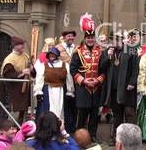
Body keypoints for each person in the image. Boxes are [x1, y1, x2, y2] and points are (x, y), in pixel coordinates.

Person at [100, 29, 142, 146]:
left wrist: (132, 82)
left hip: (127, 89)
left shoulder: (130, 51)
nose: (116, 42)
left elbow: (135, 69)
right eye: (113, 39)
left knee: (129, 113)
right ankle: (116, 138)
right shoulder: (108, 52)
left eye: (118, 39)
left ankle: (132, 139)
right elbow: (101, 68)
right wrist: (108, 57)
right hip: (114, 90)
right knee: (117, 115)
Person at [70, 13, 105, 143]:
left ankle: (92, 135)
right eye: (88, 37)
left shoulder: (100, 52)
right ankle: (80, 137)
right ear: (85, 38)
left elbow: (103, 70)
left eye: (92, 38)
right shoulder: (77, 52)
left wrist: (98, 80)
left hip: (96, 89)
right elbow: (72, 70)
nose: (90, 40)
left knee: (94, 114)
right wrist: (84, 81)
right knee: (82, 115)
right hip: (83, 89)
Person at [34, 47, 74, 122]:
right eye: (50, 54)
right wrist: (38, 90)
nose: (51, 56)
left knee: (61, 109)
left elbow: (69, 78)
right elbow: (39, 77)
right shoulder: (43, 65)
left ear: (57, 55)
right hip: (48, 90)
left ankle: (61, 126)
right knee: (47, 109)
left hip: (61, 90)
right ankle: (47, 127)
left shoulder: (65, 65)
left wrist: (70, 90)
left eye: (53, 54)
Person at [0, 36, 33, 124]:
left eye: (22, 44)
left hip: (26, 89)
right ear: (14, 46)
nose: (23, 46)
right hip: (16, 90)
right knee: (16, 113)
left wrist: (32, 69)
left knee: (24, 112)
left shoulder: (26, 55)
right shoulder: (10, 59)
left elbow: (32, 72)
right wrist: (22, 72)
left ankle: (22, 131)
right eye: (20, 44)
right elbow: (8, 76)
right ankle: (12, 130)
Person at [56, 29, 77, 134]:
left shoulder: (77, 48)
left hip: (75, 80)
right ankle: (65, 127)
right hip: (63, 81)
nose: (70, 38)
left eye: (72, 36)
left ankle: (73, 127)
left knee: (74, 105)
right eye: (68, 36)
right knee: (64, 105)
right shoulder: (58, 48)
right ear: (64, 37)